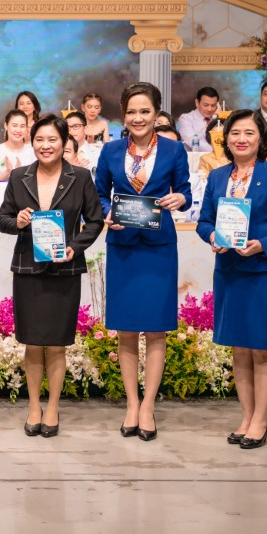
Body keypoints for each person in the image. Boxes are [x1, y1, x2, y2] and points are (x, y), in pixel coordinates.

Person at [197, 110, 267, 449]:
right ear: (225, 139)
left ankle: (261, 420)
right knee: (239, 347)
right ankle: (246, 416)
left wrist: (264, 244)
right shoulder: (217, 176)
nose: (241, 139)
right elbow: (204, 221)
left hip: (263, 272)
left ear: (261, 138)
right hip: (229, 271)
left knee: (261, 346)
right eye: (235, 133)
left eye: (248, 133)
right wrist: (212, 236)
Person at [95, 81, 191, 442]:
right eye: (132, 112)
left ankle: (148, 405)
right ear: (124, 115)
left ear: (157, 114)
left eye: (145, 111)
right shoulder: (110, 150)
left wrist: (179, 199)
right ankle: (131, 404)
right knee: (126, 328)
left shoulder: (173, 149)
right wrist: (107, 212)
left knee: (155, 328)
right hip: (123, 246)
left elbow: (186, 190)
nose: (138, 118)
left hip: (158, 247)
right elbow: (99, 194)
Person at [0, 115, 103, 437]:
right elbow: (3, 219)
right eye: (40, 140)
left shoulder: (80, 177)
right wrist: (18, 221)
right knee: (32, 344)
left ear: (64, 142)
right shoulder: (19, 177)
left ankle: (53, 407)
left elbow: (95, 221)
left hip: (64, 270)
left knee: (57, 345)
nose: (46, 146)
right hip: (28, 270)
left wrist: (75, 247)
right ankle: (33, 407)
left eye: (52, 139)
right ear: (32, 142)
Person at [0, 110, 35, 182]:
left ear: (26, 128)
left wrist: (20, 175)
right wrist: (6, 174)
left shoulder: (32, 151)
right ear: (6, 126)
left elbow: (38, 181)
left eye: (22, 126)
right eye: (14, 126)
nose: (18, 130)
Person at [175, 86, 219, 151]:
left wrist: (219, 118)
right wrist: (218, 151)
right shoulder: (185, 118)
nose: (209, 109)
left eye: (213, 105)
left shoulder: (218, 119)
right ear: (197, 103)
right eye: (206, 105)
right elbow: (191, 141)